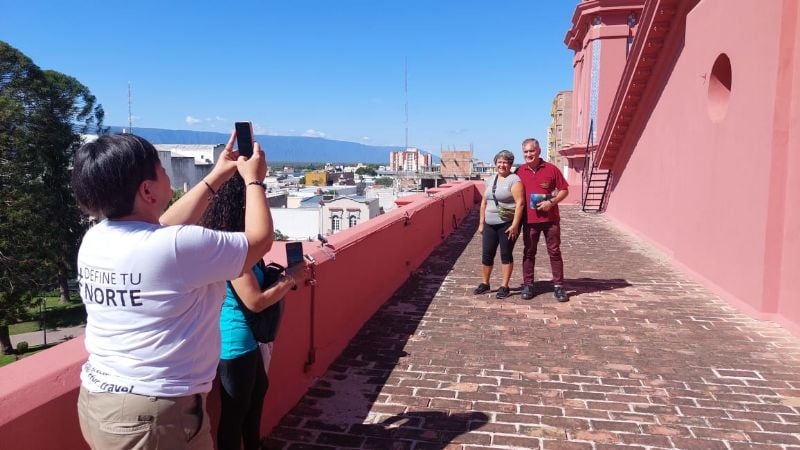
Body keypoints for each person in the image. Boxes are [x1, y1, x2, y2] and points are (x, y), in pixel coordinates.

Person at [72, 131, 272, 450]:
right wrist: (255, 180)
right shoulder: (176, 247)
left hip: (100, 402)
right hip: (154, 417)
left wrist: (217, 176)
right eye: (162, 169)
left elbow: (161, 228)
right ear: (147, 190)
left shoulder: (96, 239)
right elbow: (259, 241)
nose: (168, 175)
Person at [199, 174, 308, 450]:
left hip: (248, 341)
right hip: (234, 344)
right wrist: (290, 279)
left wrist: (283, 278)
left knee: (257, 394)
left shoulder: (244, 247)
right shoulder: (230, 250)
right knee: (234, 414)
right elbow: (254, 301)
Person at [517, 138, 570, 302]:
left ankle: (559, 286)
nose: (528, 154)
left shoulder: (551, 169)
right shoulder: (519, 171)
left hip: (550, 220)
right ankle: (528, 284)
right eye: (525, 151)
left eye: (531, 151)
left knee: (554, 252)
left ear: (538, 151)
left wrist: (551, 202)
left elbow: (564, 190)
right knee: (528, 252)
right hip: (529, 220)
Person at [475, 150, 524, 299]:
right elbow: (484, 202)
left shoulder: (514, 180)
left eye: (505, 162)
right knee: (487, 254)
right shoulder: (490, 179)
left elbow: (520, 203)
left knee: (505, 254)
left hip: (507, 224)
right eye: (499, 162)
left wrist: (515, 225)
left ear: (510, 164)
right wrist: (481, 223)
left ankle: (504, 286)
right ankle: (485, 283)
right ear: (495, 164)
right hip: (489, 224)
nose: (502, 165)